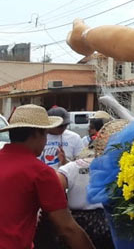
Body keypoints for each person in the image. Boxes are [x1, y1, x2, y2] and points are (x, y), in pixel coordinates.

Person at [0, 104, 95, 249]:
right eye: (45, 134)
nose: (45, 141)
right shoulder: (40, 172)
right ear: (35, 134)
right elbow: (67, 228)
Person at [56, 120, 127, 249]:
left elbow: (54, 189)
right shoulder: (124, 168)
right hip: (110, 225)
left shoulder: (71, 168)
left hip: (77, 225)